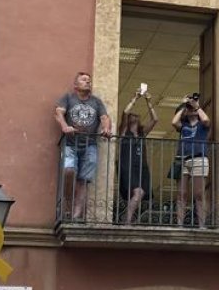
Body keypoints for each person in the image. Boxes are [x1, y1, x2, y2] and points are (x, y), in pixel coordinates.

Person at [54, 71, 112, 219]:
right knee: (69, 170)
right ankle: (68, 202)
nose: (87, 82)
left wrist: (106, 129)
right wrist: (64, 126)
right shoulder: (68, 98)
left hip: (90, 144)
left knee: (84, 180)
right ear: (76, 85)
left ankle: (77, 213)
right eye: (84, 80)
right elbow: (58, 113)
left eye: (89, 80)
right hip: (70, 143)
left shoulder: (96, 102)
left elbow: (104, 117)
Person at [117, 86, 158, 225]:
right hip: (127, 165)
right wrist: (135, 98)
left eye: (136, 115)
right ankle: (127, 220)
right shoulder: (124, 131)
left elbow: (155, 119)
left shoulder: (142, 133)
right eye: (132, 115)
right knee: (138, 192)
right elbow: (125, 112)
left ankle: (127, 217)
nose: (134, 115)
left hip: (141, 166)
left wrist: (148, 101)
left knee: (139, 194)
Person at [172, 93, 211, 227]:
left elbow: (206, 120)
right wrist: (184, 105)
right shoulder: (183, 125)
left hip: (199, 158)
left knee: (199, 194)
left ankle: (201, 225)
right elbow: (174, 122)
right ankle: (180, 224)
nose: (191, 109)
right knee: (181, 194)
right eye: (190, 108)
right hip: (183, 159)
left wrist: (197, 106)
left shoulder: (202, 125)